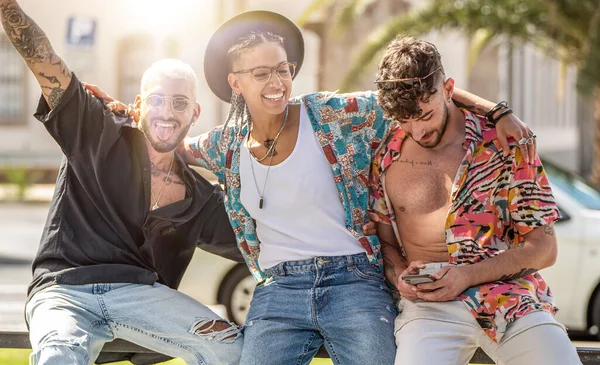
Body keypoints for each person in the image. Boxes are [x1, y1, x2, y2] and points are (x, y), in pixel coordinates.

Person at [87, 10, 538, 365]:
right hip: (278, 292)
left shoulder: (334, 116)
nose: (276, 82)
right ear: (235, 83)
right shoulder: (224, 144)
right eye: (260, 73)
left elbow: (416, 91)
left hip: (354, 283)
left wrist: (497, 112)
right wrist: (133, 113)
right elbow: (171, 138)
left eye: (282, 69)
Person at [0, 2, 244, 365]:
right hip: (65, 292)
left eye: (179, 103)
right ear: (140, 104)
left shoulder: (201, 199)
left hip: (141, 297)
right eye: (157, 100)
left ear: (194, 112)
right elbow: (42, 57)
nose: (166, 112)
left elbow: (262, 243)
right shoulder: (96, 131)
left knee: (231, 346)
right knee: (58, 355)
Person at [369, 35, 582, 365]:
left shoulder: (506, 144)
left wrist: (465, 276)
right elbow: (386, 245)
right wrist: (400, 274)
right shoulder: (383, 151)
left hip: (508, 299)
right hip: (428, 309)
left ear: (449, 89)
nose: (416, 131)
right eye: (404, 120)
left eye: (424, 115)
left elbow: (544, 249)